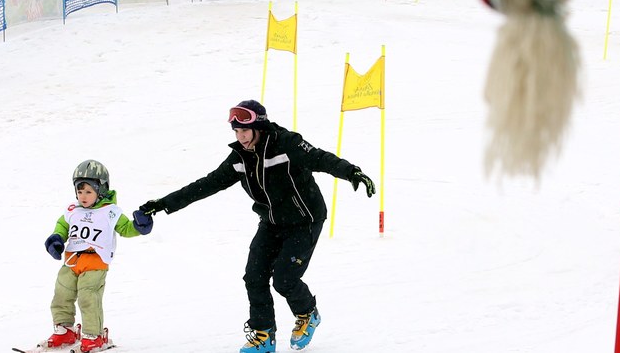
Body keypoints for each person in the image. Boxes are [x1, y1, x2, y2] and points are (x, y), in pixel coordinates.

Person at [137, 101, 375, 353]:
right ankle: (263, 335)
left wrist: (352, 172)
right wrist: (163, 204)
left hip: (304, 220)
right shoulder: (240, 157)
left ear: (259, 126)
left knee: (284, 279)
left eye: (245, 131)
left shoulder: (286, 143)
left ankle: (307, 313)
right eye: (236, 132)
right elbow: (206, 185)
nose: (241, 138)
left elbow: (319, 158)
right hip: (271, 222)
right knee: (254, 277)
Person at [40, 160, 153, 353]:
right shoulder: (72, 210)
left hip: (95, 261)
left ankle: (94, 335)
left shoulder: (110, 212)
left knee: (88, 297)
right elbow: (62, 226)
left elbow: (126, 229)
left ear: (101, 190)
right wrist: (56, 239)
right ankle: (65, 329)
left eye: (88, 192)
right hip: (71, 260)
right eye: (79, 191)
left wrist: (139, 227)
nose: (82, 196)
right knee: (61, 294)